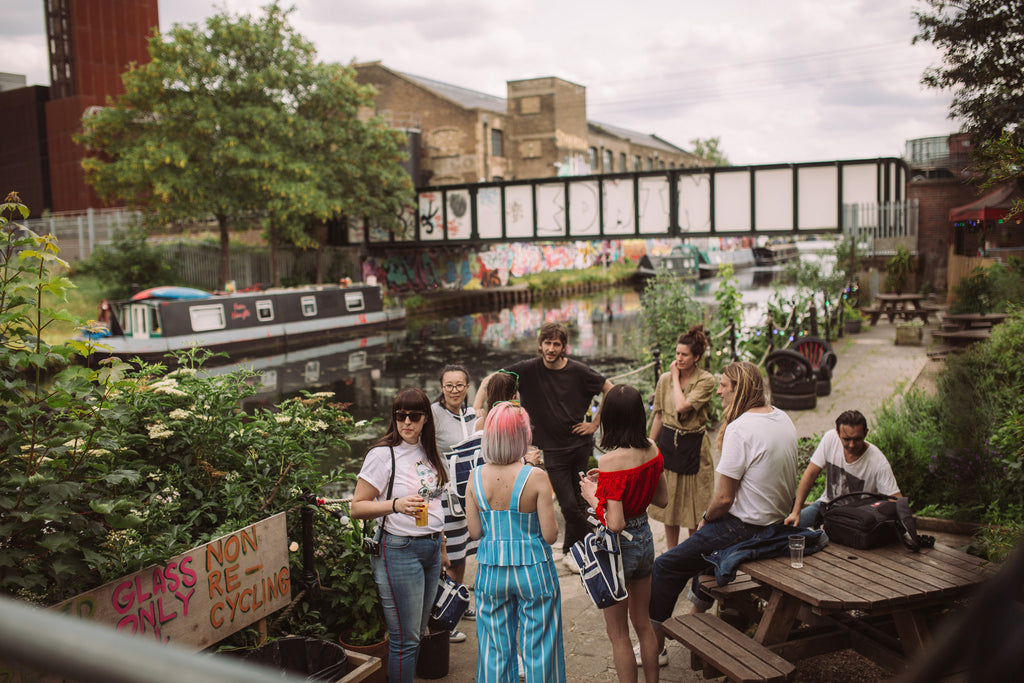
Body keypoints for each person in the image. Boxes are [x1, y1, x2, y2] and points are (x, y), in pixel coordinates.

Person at [648, 362, 798, 659]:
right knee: (705, 548)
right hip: (775, 521)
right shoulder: (782, 417)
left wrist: (704, 519)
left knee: (664, 566)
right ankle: (694, 617)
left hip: (747, 527)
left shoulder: (740, 428)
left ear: (738, 388)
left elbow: (723, 499)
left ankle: (656, 646)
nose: (719, 391)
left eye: (724, 386)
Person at [351, 388, 448, 683]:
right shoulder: (382, 455)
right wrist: (395, 505)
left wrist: (441, 544)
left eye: (414, 416)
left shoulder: (429, 451)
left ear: (425, 420)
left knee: (417, 634)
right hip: (399, 550)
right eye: (400, 415)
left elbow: (435, 502)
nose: (406, 422)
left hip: (430, 549)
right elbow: (357, 507)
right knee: (404, 640)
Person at [466, 401, 566, 683]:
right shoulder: (536, 478)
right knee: (541, 645)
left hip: (490, 570)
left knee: (494, 649)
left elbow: (474, 533)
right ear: (522, 436)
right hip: (533, 570)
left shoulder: (473, 478)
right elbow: (550, 535)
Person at [504, 322, 613, 571]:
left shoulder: (579, 371)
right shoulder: (529, 369)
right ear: (540, 344)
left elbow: (610, 389)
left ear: (564, 346)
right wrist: (501, 409)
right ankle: (588, 549)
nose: (551, 348)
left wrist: (595, 423)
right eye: (547, 343)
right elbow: (496, 379)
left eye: (556, 344)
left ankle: (572, 551)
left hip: (580, 445)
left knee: (582, 502)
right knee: (567, 505)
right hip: (552, 449)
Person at [579, 385, 668, 683]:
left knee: (618, 635)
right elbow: (662, 499)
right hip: (644, 538)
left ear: (612, 418)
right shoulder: (653, 448)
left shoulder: (609, 460)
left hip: (619, 547)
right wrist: (606, 484)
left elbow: (614, 522)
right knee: (643, 623)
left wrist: (593, 495)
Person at [648, 325, 716, 550]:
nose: (678, 358)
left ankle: (692, 552)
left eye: (684, 354)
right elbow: (659, 415)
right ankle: (671, 552)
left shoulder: (706, 380)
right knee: (672, 503)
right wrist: (649, 445)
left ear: (696, 357)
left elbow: (682, 406)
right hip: (669, 443)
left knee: (695, 506)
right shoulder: (665, 379)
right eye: (677, 353)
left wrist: (676, 378)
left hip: (693, 447)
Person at [785, 409, 901, 529]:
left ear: (866, 433)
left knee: (823, 536)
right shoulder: (830, 439)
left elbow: (896, 499)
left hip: (854, 519)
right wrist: (796, 511)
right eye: (846, 439)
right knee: (789, 528)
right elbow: (810, 474)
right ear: (837, 433)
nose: (851, 445)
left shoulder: (878, 462)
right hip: (826, 506)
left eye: (857, 439)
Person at [431, 364, 478, 642]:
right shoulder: (435, 414)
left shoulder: (469, 414)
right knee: (444, 556)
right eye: (449, 385)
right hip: (442, 495)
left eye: (459, 385)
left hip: (465, 495)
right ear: (441, 387)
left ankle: (457, 601)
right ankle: (442, 615)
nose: (454, 390)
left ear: (467, 387)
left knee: (461, 554)